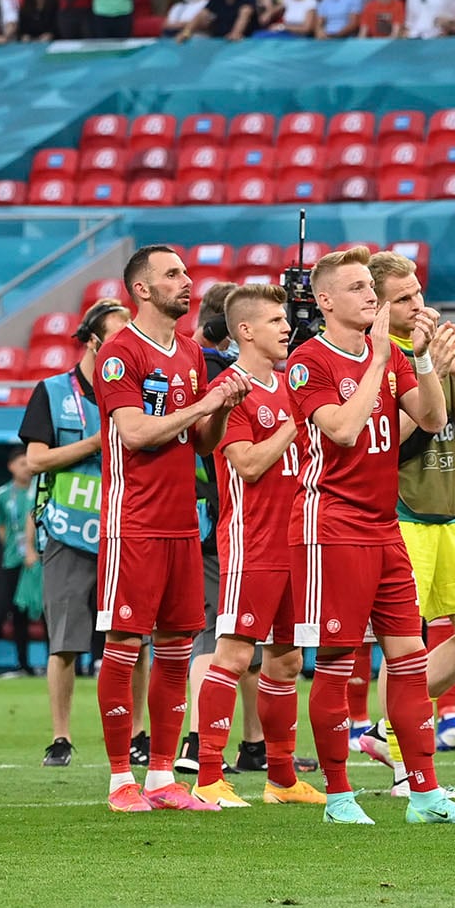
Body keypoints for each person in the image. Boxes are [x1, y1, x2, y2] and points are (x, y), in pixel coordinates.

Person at [288, 247, 455, 826]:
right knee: (336, 660)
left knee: (407, 657)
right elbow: (343, 431)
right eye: (356, 287)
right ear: (325, 300)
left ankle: (424, 794)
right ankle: (339, 797)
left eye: (368, 287)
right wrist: (379, 359)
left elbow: (432, 418)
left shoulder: (394, 355)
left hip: (383, 526)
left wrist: (421, 359)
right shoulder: (309, 360)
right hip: (331, 526)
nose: (368, 296)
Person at [91, 246, 247, 813]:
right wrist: (205, 403)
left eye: (185, 272)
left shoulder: (188, 351)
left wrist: (222, 407)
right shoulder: (120, 352)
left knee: (179, 647)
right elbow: (134, 433)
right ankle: (119, 780)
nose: (187, 281)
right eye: (173, 274)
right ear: (142, 289)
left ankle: (160, 776)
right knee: (125, 643)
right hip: (133, 522)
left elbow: (202, 443)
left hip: (184, 521)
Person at [365, 251, 455, 763]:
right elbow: (379, 443)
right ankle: (400, 754)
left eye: (418, 292)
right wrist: (428, 368)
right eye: (403, 299)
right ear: (378, 307)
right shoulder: (377, 356)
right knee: (402, 643)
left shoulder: (439, 345)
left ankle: (386, 726)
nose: (418, 304)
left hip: (447, 513)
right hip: (402, 514)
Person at [194, 284, 325, 807]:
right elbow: (246, 464)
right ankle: (208, 777)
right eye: (274, 321)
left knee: (287, 661)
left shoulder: (293, 384)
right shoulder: (230, 387)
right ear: (245, 330)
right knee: (233, 655)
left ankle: (282, 779)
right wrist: (295, 423)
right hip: (254, 542)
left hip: (297, 543)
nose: (286, 328)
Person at [18, 298, 130, 769]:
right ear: (92, 341)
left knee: (133, 639)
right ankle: (61, 737)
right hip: (67, 530)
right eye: (118, 337)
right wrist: (95, 443)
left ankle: (137, 734)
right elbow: (35, 460)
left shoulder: (137, 389)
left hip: (124, 529)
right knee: (64, 640)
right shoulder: (52, 391)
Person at [0, 450, 38, 679]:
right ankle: (23, 664)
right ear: (11, 466)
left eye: (29, 463)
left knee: (49, 611)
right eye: (22, 463)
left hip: (41, 560)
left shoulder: (41, 489)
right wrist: (14, 548)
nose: (27, 467)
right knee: (18, 612)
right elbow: (0, 526)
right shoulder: (2, 494)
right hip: (14, 559)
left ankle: (57, 663)